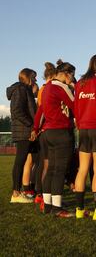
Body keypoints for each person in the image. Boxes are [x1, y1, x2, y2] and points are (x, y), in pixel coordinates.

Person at [32, 60, 76, 217]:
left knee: (50, 169)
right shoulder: (62, 86)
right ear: (65, 74)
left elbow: (41, 110)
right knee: (59, 170)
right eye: (72, 76)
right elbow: (75, 106)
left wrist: (35, 128)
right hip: (61, 131)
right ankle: (57, 208)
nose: (72, 79)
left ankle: (48, 204)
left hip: (48, 132)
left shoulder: (48, 87)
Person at [74, 54, 96, 220]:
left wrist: (80, 123)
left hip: (83, 130)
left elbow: (76, 108)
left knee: (82, 169)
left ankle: (79, 210)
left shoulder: (80, 83)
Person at [7, 68, 37, 203]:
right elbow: (17, 111)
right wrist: (31, 125)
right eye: (34, 77)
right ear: (28, 77)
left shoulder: (25, 90)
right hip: (23, 132)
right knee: (20, 161)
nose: (36, 80)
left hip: (26, 131)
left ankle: (29, 190)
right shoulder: (20, 90)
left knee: (33, 159)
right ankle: (16, 193)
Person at [34, 62, 57, 206]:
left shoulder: (43, 89)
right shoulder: (47, 89)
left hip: (44, 129)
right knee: (46, 165)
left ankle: (41, 194)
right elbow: (42, 110)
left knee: (44, 164)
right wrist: (38, 128)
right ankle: (42, 194)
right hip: (47, 129)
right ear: (53, 76)